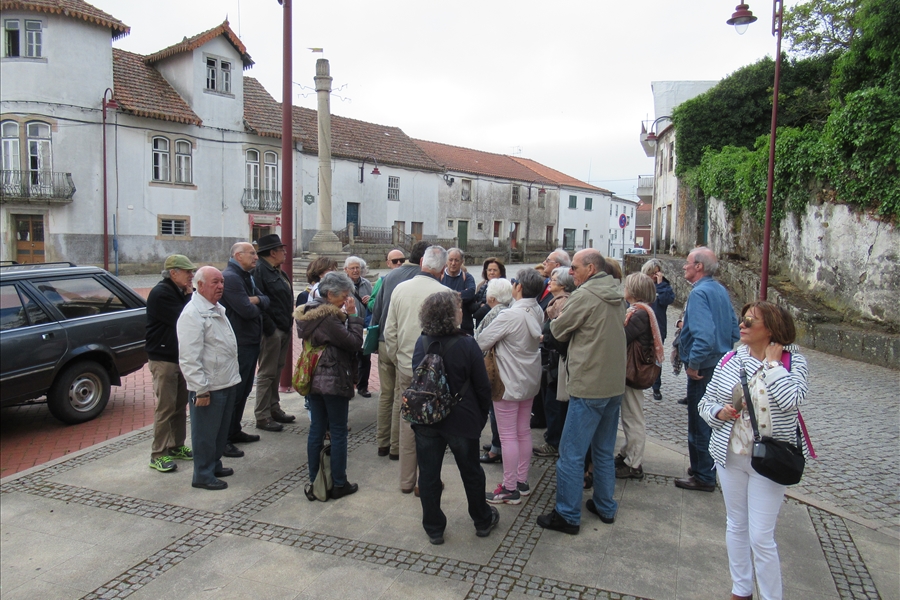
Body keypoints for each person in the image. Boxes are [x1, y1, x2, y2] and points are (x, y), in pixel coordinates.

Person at [699, 302, 810, 600]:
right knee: (736, 524)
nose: (742, 325)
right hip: (730, 455)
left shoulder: (792, 362)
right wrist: (718, 412)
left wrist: (773, 366)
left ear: (771, 328)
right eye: (742, 319)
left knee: (761, 536)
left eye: (750, 321)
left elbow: (791, 400)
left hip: (769, 458)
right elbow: (705, 403)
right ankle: (741, 590)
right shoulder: (730, 359)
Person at [537, 249, 626, 534]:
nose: (571, 272)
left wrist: (553, 322)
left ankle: (567, 514)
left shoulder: (585, 295)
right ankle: (605, 506)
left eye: (574, 267)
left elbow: (557, 330)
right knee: (603, 451)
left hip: (589, 384)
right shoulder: (616, 292)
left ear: (591, 268)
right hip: (613, 384)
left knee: (571, 454)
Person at [411, 291, 499, 545]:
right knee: (471, 472)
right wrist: (480, 417)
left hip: (427, 419)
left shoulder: (422, 342)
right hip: (461, 418)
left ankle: (434, 528)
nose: (462, 312)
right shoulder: (467, 343)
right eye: (458, 309)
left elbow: (417, 376)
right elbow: (483, 386)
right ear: (451, 315)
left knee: (428, 474)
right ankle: (482, 519)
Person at [384, 246, 449, 494]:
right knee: (432, 424)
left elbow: (390, 331)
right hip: (435, 370)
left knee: (407, 422)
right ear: (443, 268)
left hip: (406, 364)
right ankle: (426, 481)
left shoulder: (400, 289)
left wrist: (398, 357)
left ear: (422, 262)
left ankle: (406, 480)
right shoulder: (445, 293)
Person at [294, 271, 364, 499]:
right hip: (333, 378)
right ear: (330, 294)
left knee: (317, 429)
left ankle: (315, 480)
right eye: (344, 296)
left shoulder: (311, 311)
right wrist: (353, 316)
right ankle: (339, 483)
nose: (346, 300)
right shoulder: (329, 316)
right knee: (338, 430)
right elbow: (354, 342)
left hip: (314, 376)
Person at [476, 268, 544, 505]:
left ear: (519, 287)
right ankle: (521, 481)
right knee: (523, 431)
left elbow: (482, 341)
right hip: (529, 379)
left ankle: (509, 487)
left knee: (507, 436)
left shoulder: (510, 315)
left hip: (507, 380)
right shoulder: (537, 310)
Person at [676, 247, 740, 492]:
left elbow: (704, 337)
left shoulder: (699, 293)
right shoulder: (720, 290)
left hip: (704, 367)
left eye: (688, 262)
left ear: (699, 266)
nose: (684, 266)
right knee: (711, 417)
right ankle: (704, 467)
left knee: (700, 420)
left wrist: (694, 363)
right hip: (720, 364)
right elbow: (734, 330)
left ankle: (703, 475)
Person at [177, 266, 241, 491]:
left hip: (226, 380)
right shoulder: (192, 314)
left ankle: (214, 464)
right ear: (200, 285)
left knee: (220, 432)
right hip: (209, 386)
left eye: (222, 281)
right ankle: (202, 474)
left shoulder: (216, 309)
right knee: (205, 433)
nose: (221, 286)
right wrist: (200, 389)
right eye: (215, 282)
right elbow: (189, 358)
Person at [371, 241, 430, 459]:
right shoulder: (422, 278)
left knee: (385, 395)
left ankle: (382, 443)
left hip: (384, 341)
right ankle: (396, 448)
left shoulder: (389, 277)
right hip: (403, 344)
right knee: (399, 395)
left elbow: (377, 311)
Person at [146, 254, 196, 473]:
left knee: (179, 405)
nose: (191, 275)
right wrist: (189, 295)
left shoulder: (177, 291)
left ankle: (176, 445)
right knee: (165, 407)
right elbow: (185, 318)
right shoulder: (162, 293)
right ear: (173, 273)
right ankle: (158, 453)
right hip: (163, 358)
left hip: (178, 357)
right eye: (187, 272)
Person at [220, 242, 269, 457]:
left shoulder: (246, 276)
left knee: (245, 389)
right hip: (239, 342)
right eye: (252, 253)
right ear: (238, 256)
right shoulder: (231, 277)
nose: (256, 257)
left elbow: (266, 300)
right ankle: (224, 438)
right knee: (235, 392)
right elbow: (247, 311)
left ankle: (234, 430)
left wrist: (256, 300)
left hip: (250, 340)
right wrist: (258, 304)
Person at [615, 273, 664, 480]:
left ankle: (633, 463)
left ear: (634, 291)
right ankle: (628, 452)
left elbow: (621, 337)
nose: (624, 289)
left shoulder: (639, 314)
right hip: (631, 371)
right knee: (631, 415)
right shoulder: (642, 311)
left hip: (632, 372)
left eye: (627, 286)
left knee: (632, 417)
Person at [253, 234, 295, 431]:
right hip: (272, 330)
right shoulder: (260, 271)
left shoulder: (277, 271)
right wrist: (271, 329)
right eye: (281, 250)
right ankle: (262, 415)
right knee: (267, 372)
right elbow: (258, 303)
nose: (285, 253)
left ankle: (273, 407)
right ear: (272, 253)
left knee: (277, 369)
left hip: (283, 327)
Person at [533, 267, 576, 459]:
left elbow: (559, 332)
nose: (550, 282)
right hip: (552, 356)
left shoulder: (563, 302)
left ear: (564, 285)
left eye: (555, 279)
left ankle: (554, 442)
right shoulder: (557, 301)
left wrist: (546, 337)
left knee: (554, 402)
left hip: (556, 358)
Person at [474, 278, 514, 465]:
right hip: (503, 366)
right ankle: (498, 444)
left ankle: (497, 448)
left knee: (495, 409)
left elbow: (481, 341)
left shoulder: (496, 313)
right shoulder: (508, 310)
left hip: (494, 367)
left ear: (491, 297)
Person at [641, 259, 675, 400]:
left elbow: (667, 300)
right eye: (651, 273)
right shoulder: (641, 285)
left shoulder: (664, 286)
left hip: (658, 327)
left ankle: (656, 386)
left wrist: (660, 285)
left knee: (656, 358)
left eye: (656, 273)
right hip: (642, 326)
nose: (654, 276)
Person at [345, 256, 373, 398]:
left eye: (358, 268)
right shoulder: (343, 285)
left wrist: (370, 300)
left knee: (365, 359)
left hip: (364, 326)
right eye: (352, 268)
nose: (356, 270)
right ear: (346, 270)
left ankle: (363, 387)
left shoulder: (367, 284)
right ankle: (348, 388)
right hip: (348, 326)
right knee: (348, 359)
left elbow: (374, 302)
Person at [440, 247, 477, 335]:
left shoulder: (467, 277)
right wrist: (460, 294)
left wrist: (447, 296)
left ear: (462, 262)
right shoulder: (439, 277)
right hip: (443, 325)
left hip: (465, 326)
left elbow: (470, 293)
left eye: (456, 260)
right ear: (446, 261)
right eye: (451, 260)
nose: (453, 263)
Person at [367, 248, 406, 313]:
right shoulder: (382, 281)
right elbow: (371, 303)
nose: (399, 263)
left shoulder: (411, 279)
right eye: (395, 261)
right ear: (388, 263)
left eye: (402, 260)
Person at [471, 257, 506, 327]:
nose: (492, 273)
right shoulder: (481, 286)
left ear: (500, 272)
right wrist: (480, 305)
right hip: (480, 324)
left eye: (495, 270)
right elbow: (472, 305)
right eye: (489, 270)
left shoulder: (505, 287)